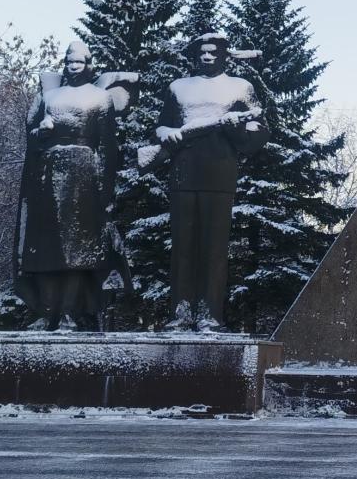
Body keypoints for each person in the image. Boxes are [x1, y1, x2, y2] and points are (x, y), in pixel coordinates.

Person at [151, 33, 267, 332]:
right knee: (182, 249)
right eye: (202, 52)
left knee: (214, 250)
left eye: (213, 52)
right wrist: (167, 134)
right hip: (183, 175)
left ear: (224, 56)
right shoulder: (178, 88)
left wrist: (235, 130)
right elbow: (161, 126)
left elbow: (258, 133)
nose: (206, 56)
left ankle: (210, 314)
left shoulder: (241, 87)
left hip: (219, 175)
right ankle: (180, 313)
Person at [16, 43, 125, 330]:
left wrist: (106, 188)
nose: (73, 66)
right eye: (69, 61)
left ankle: (70, 309)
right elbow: (31, 138)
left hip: (84, 176)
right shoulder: (49, 96)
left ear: (89, 64)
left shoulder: (100, 98)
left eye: (79, 62)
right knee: (46, 246)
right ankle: (47, 310)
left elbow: (108, 146)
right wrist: (41, 131)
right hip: (48, 177)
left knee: (78, 249)